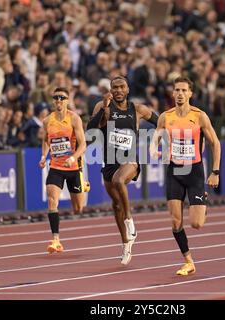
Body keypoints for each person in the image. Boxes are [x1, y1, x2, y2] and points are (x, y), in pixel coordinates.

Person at [150, 76, 221, 276]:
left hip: (195, 172)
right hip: (174, 171)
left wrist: (215, 171)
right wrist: (153, 148)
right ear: (173, 93)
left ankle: (203, 202)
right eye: (177, 90)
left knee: (196, 224)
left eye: (184, 90)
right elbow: (156, 134)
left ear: (190, 93)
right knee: (175, 222)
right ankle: (188, 260)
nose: (180, 94)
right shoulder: (166, 116)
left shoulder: (200, 116)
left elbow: (215, 143)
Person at [86, 76, 158, 265]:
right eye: (114, 87)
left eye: (122, 87)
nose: (118, 90)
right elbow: (90, 130)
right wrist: (103, 108)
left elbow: (162, 122)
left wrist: (157, 142)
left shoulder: (138, 109)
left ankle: (130, 222)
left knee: (119, 181)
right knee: (116, 205)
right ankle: (126, 244)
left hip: (131, 160)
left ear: (127, 89)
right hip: (109, 162)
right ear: (110, 90)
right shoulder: (103, 107)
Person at [39, 87, 89, 254]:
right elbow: (46, 140)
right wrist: (43, 156)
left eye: (62, 97)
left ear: (67, 101)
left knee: (78, 209)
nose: (59, 100)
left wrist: (73, 157)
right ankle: (56, 240)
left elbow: (83, 144)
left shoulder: (74, 119)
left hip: (73, 167)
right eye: (56, 98)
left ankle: (84, 185)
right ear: (53, 101)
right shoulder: (47, 121)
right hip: (56, 167)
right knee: (52, 200)